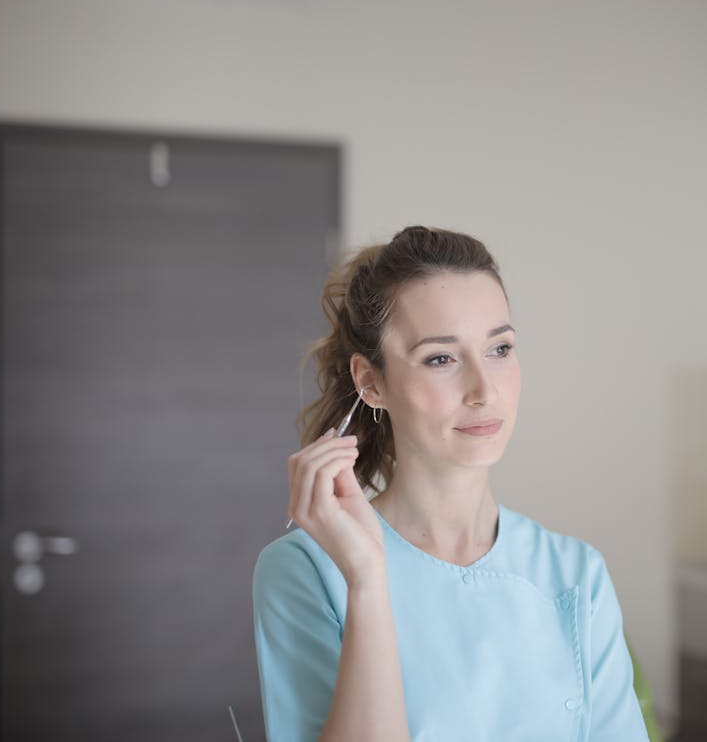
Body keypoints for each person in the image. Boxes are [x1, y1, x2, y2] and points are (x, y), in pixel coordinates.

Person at [252, 226, 649, 742]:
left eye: (500, 349)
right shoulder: (306, 571)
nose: (485, 391)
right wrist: (368, 582)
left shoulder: (577, 574)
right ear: (371, 381)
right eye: (441, 358)